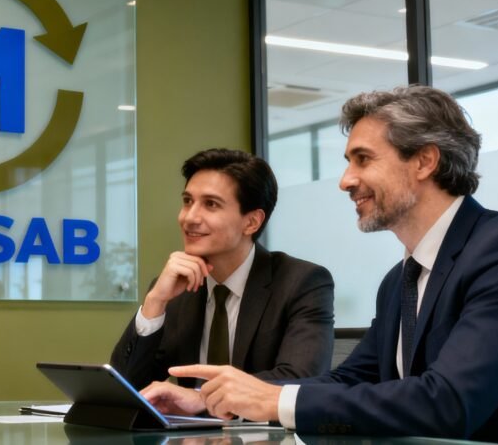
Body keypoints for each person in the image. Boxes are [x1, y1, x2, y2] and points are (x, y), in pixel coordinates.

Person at [141, 86, 498, 442]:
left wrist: (276, 399)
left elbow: (448, 403)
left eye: (363, 159)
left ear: (425, 161)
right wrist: (210, 398)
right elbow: (348, 379)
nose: (345, 180)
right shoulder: (399, 279)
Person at [109, 148, 335, 390]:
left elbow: (300, 380)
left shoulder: (302, 283)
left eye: (211, 204)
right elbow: (122, 387)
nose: (189, 217)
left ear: (251, 222)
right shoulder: (176, 290)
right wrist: (155, 301)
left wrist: (200, 398)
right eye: (187, 201)